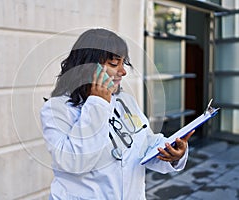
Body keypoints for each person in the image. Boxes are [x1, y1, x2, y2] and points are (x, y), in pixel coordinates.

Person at [40, 28, 195, 200]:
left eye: (123, 63)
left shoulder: (124, 100)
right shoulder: (57, 109)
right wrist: (97, 103)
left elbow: (144, 142)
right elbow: (74, 162)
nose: (123, 72)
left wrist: (171, 152)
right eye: (114, 64)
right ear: (87, 67)